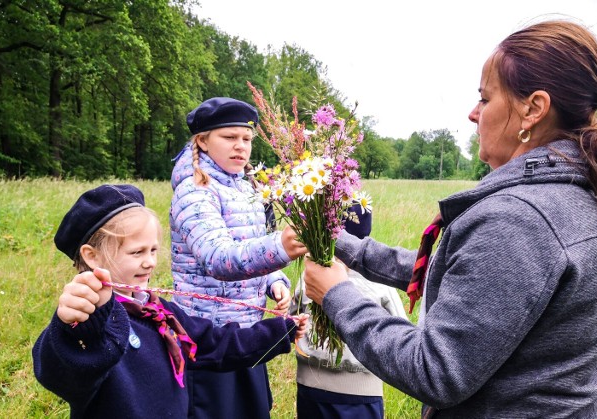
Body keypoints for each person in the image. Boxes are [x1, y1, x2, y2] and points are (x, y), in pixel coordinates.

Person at [302, 19, 597, 418]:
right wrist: (346, 248)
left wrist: (337, 294)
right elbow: (468, 280)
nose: (473, 114)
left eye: (486, 99)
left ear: (533, 109)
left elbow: (435, 371)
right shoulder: (555, 197)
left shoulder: (518, 219)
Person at [32, 184, 308, 419]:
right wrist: (74, 327)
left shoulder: (158, 311)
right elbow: (60, 373)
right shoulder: (89, 319)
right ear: (92, 257)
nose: (150, 262)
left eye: (153, 250)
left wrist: (281, 330)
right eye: (137, 252)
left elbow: (214, 343)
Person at [170, 97, 308, 419]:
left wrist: (275, 280)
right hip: (208, 338)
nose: (240, 147)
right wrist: (281, 248)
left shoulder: (249, 188)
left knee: (254, 411)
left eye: (246, 139)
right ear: (202, 140)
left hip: (246, 332)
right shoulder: (194, 190)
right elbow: (218, 258)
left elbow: (255, 243)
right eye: (229, 137)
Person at [290, 204, 408, 419]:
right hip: (360, 394)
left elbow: (292, 321)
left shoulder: (310, 276)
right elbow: (403, 329)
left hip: (310, 387)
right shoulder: (381, 285)